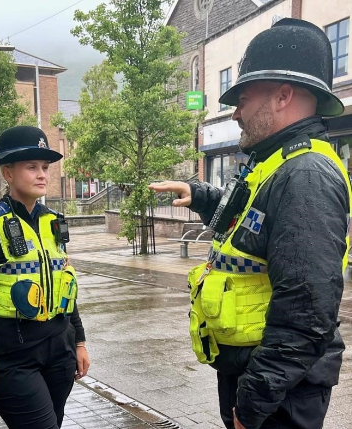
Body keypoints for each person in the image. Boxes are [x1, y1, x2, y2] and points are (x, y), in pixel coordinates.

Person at [149, 18, 350, 429]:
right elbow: (252, 224)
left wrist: (254, 401)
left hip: (280, 394)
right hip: (261, 378)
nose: (236, 112)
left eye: (243, 98)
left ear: (283, 95)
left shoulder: (306, 174)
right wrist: (202, 197)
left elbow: (305, 312)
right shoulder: (277, 162)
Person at [0, 125, 90, 429]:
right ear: (8, 173)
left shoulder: (54, 223)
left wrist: (79, 341)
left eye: (45, 167)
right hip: (12, 357)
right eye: (31, 166)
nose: (42, 173)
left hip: (60, 351)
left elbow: (65, 285)